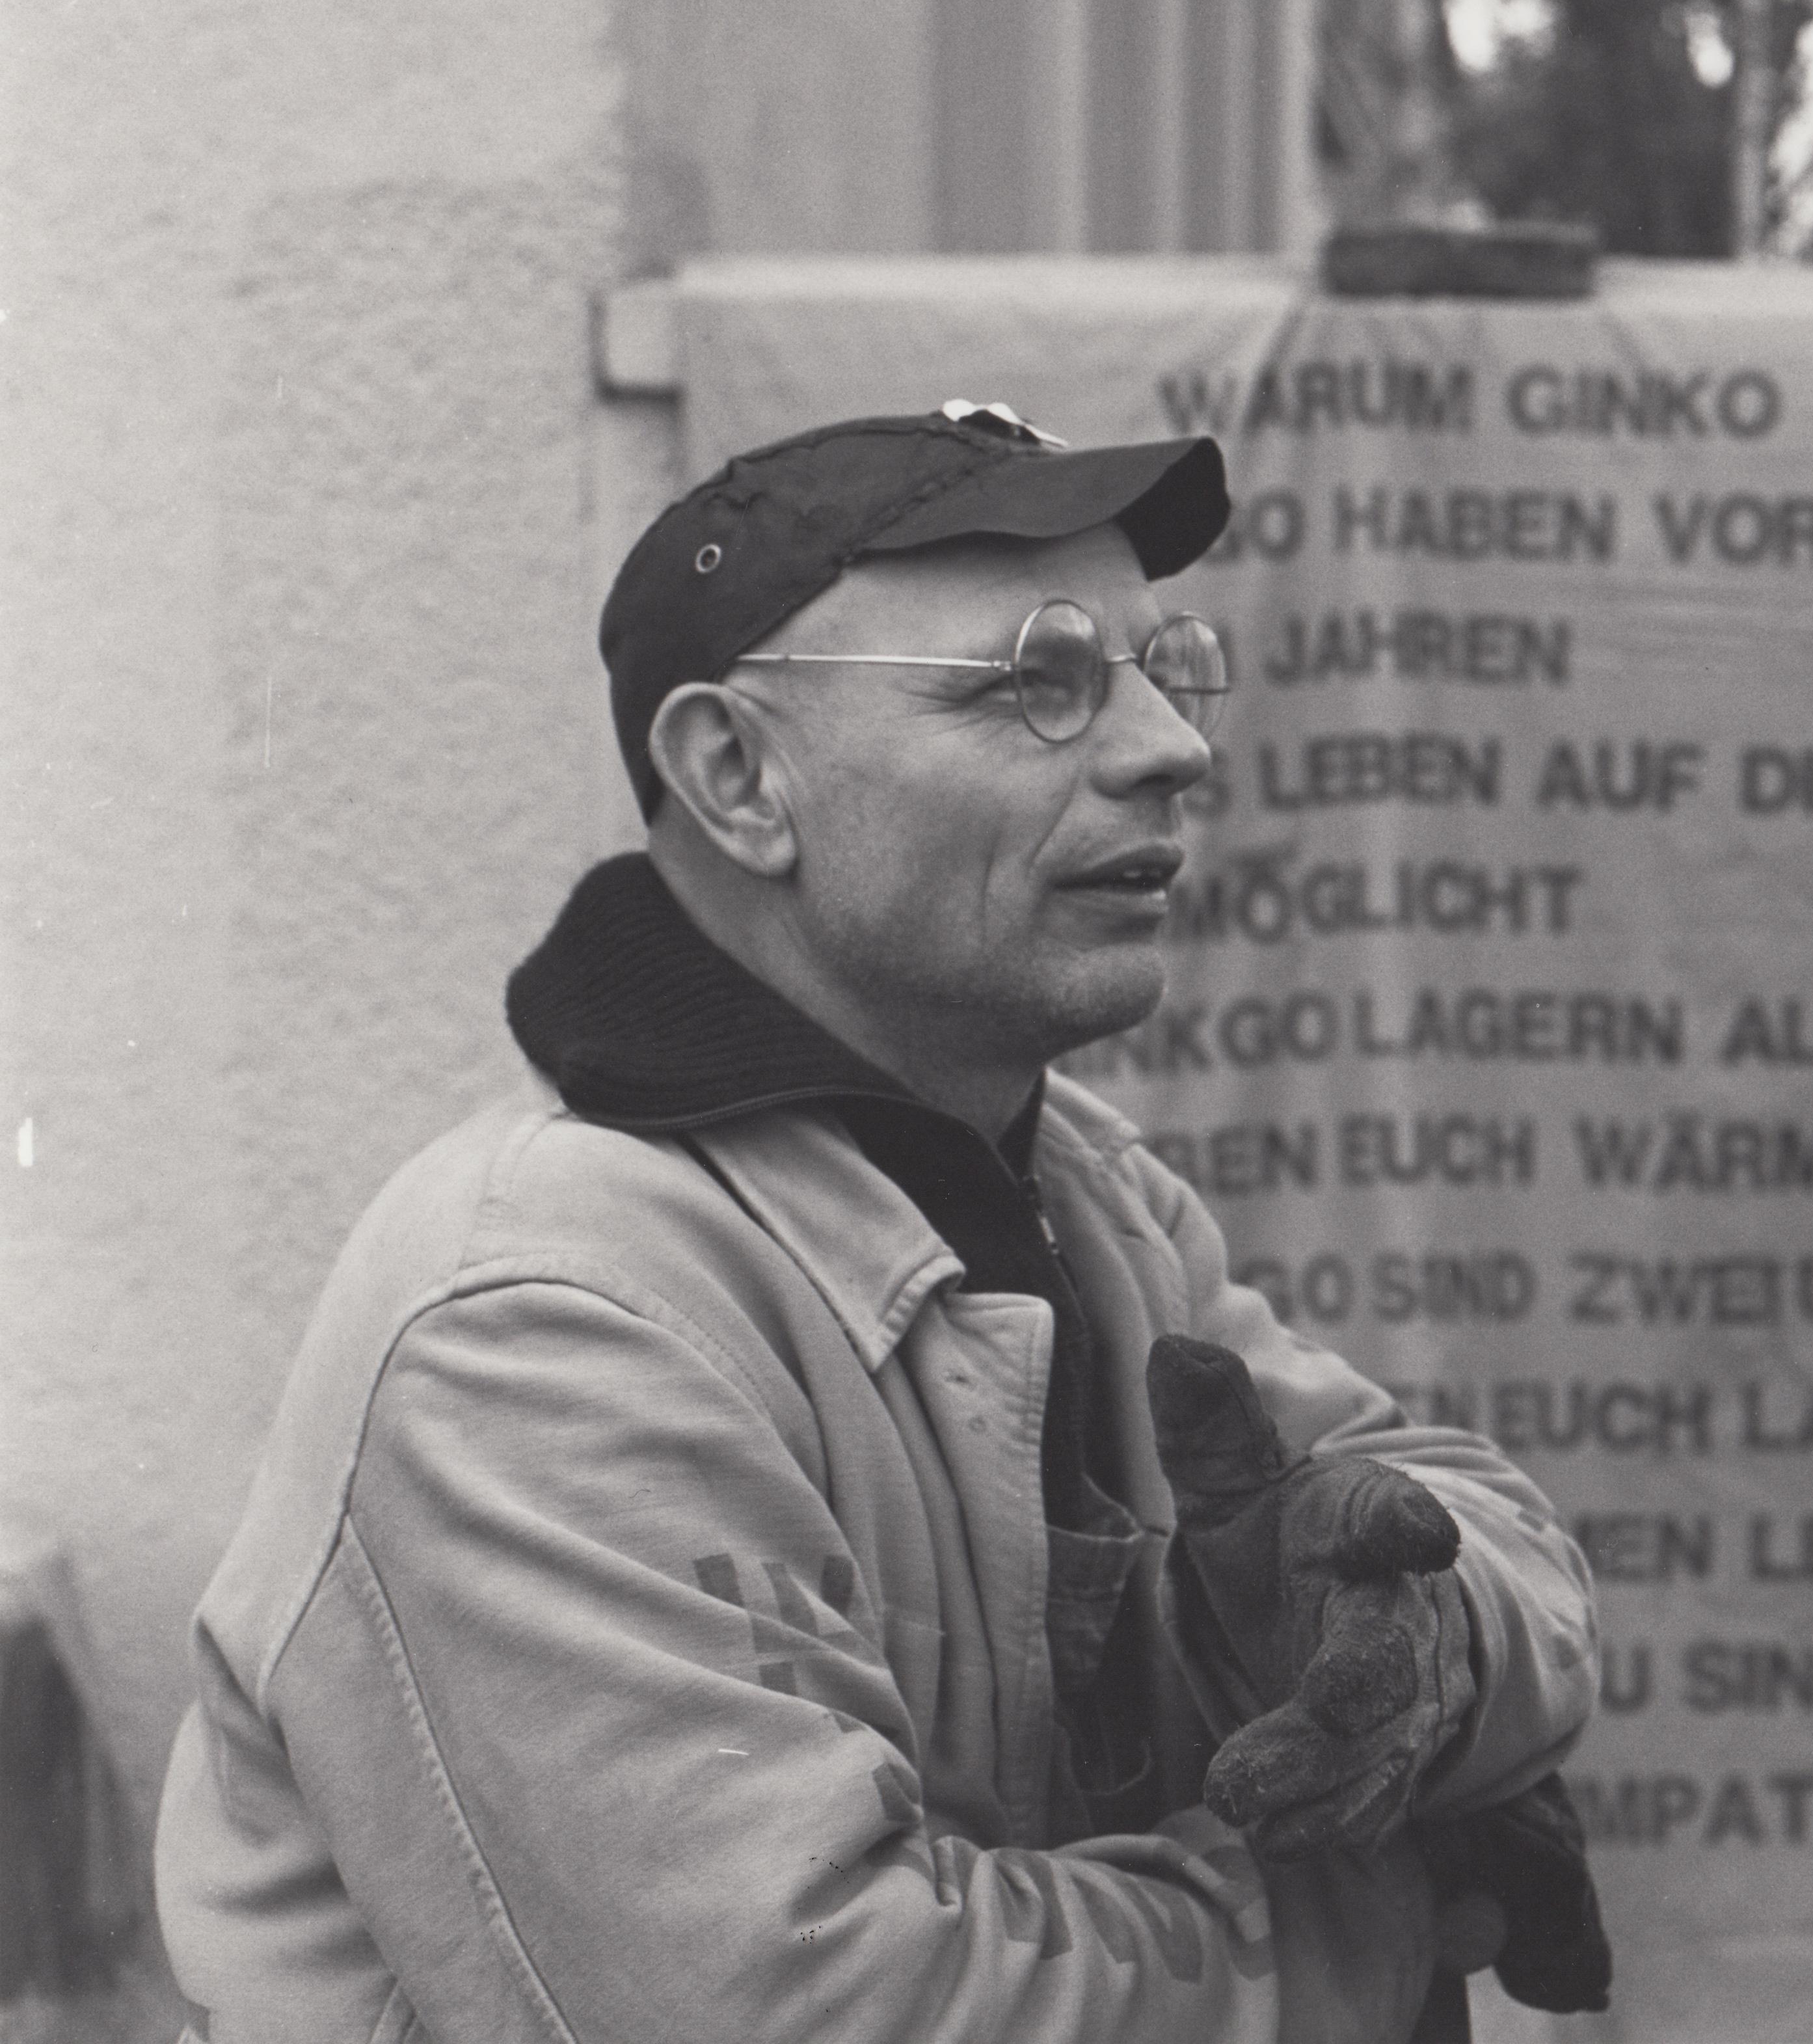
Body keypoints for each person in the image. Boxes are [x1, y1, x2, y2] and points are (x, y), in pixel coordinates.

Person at [154, 403, 1604, 2042]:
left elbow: (1486, 1528)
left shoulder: (1077, 1192)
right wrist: (1389, 1904)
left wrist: (1410, 1647)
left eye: (1163, 662)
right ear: (737, 775)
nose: (1169, 746)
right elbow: (812, 2007)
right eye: (1038, 680)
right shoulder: (542, 1320)